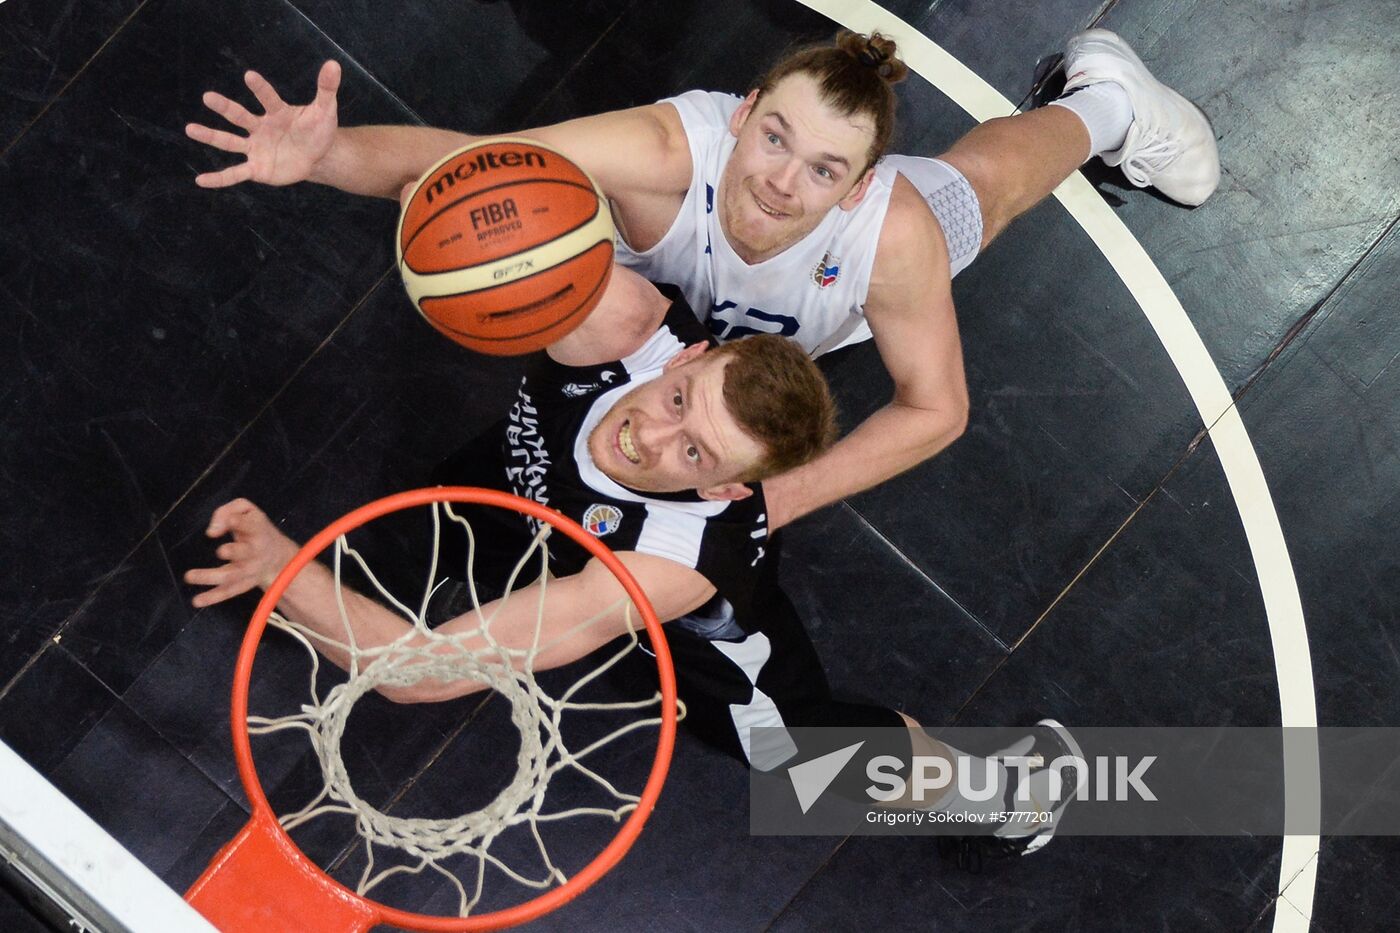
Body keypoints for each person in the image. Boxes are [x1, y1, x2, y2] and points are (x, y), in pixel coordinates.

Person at [185, 264, 1083, 860]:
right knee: (473, 497)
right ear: (687, 352)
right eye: (680, 398)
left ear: (730, 493)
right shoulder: (618, 319)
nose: (649, 436)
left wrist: (282, 564)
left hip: (691, 641)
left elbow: (418, 675)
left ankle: (995, 794)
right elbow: (488, 206)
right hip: (521, 518)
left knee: (798, 747)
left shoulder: (676, 561)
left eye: (697, 455)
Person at [185, 28, 1220, 530]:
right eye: (775, 138)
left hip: (817, 317)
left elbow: (935, 408)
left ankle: (1111, 104)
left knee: (983, 192)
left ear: (857, 186)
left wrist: (774, 504)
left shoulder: (883, 230)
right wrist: (317, 157)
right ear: (743, 110)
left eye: (824, 169)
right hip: (639, 318)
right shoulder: (662, 152)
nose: (781, 181)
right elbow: (469, 173)